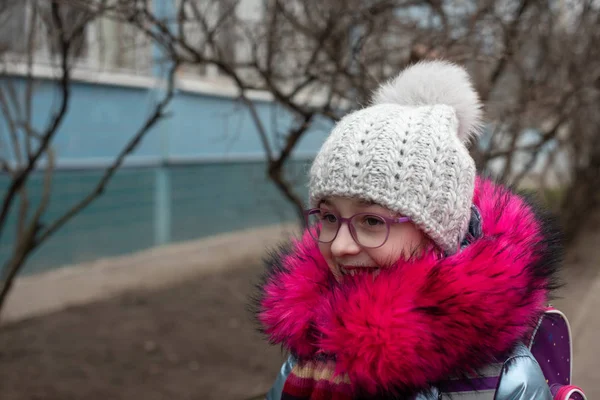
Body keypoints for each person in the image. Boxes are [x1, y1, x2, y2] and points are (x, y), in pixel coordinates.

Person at [252, 60, 561, 399]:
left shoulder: (505, 381)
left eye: (371, 222)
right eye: (328, 218)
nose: (339, 246)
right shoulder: (309, 353)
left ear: (437, 234)